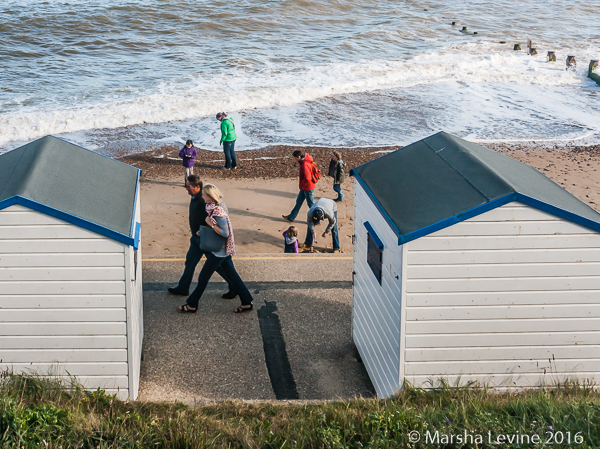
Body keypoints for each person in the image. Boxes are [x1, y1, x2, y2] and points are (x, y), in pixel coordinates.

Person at [178, 184, 254, 314]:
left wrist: (211, 224)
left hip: (218, 251)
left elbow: (225, 232)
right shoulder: (212, 207)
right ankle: (246, 301)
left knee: (203, 278)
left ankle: (192, 304)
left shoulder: (218, 211)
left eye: (204, 195)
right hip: (222, 250)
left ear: (210, 196)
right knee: (233, 276)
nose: (202, 197)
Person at [167, 175, 237, 299]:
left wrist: (204, 231)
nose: (186, 189)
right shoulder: (195, 197)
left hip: (205, 239)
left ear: (197, 187)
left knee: (219, 266)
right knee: (190, 262)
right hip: (196, 239)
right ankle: (183, 287)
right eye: (186, 186)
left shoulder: (204, 201)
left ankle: (235, 286)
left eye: (189, 187)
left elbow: (213, 220)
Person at [282, 150, 317, 222]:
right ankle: (291, 217)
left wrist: (303, 185)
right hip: (305, 187)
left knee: (311, 204)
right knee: (299, 202)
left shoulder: (304, 165)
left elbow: (307, 178)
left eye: (295, 158)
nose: (295, 160)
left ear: (299, 157)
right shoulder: (305, 162)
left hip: (307, 187)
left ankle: (317, 219)